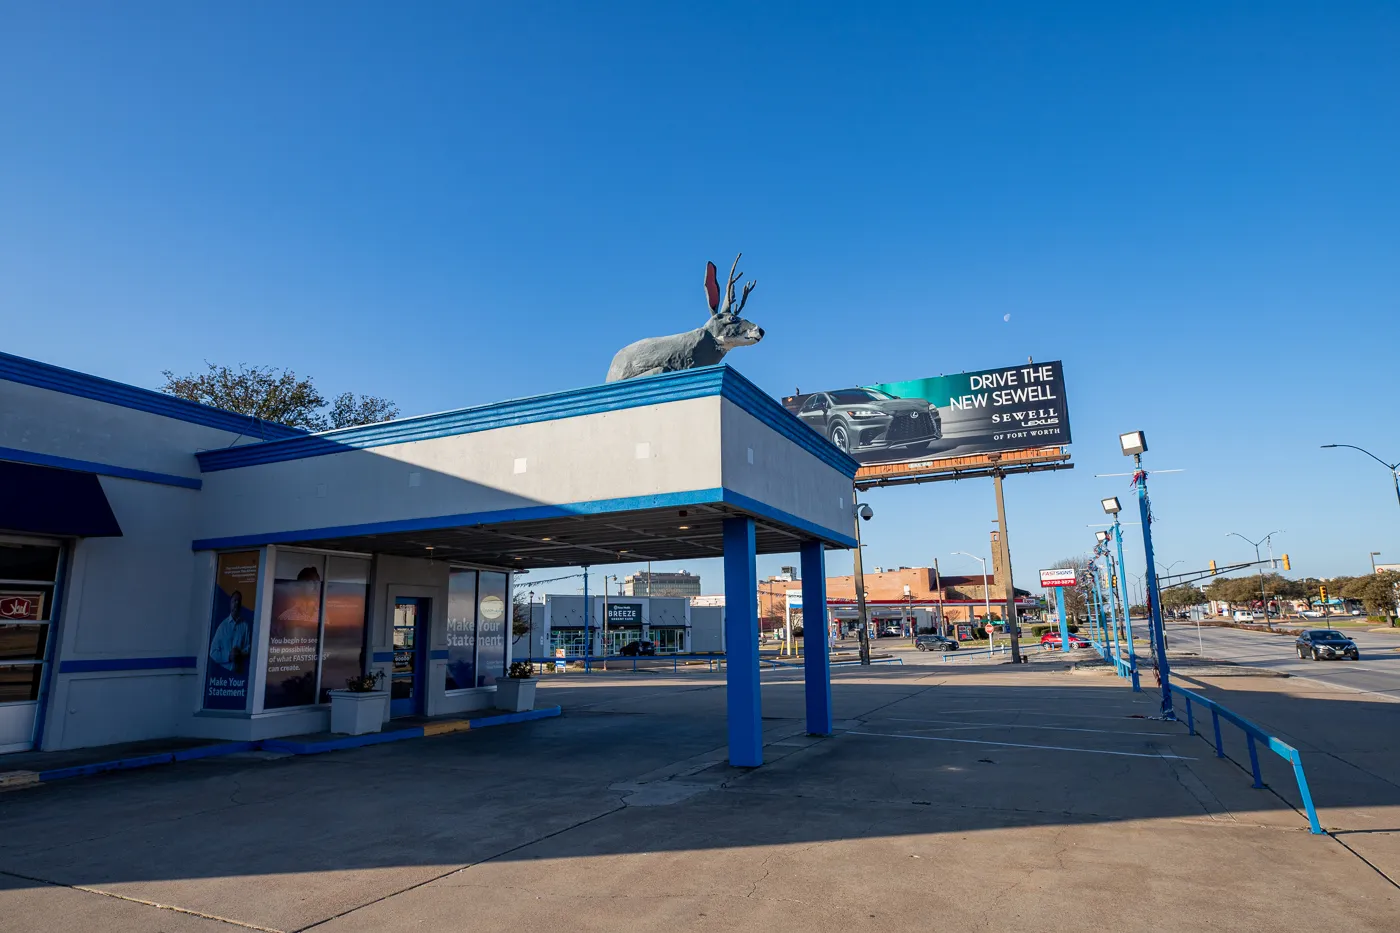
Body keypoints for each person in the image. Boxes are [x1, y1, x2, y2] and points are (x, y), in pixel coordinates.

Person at [209, 589, 252, 673]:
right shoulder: (222, 627)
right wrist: (229, 656)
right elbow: (213, 652)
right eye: (234, 601)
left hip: (240, 674)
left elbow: (248, 648)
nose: (236, 603)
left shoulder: (245, 626)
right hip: (223, 674)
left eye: (239, 601)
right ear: (230, 604)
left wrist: (239, 654)